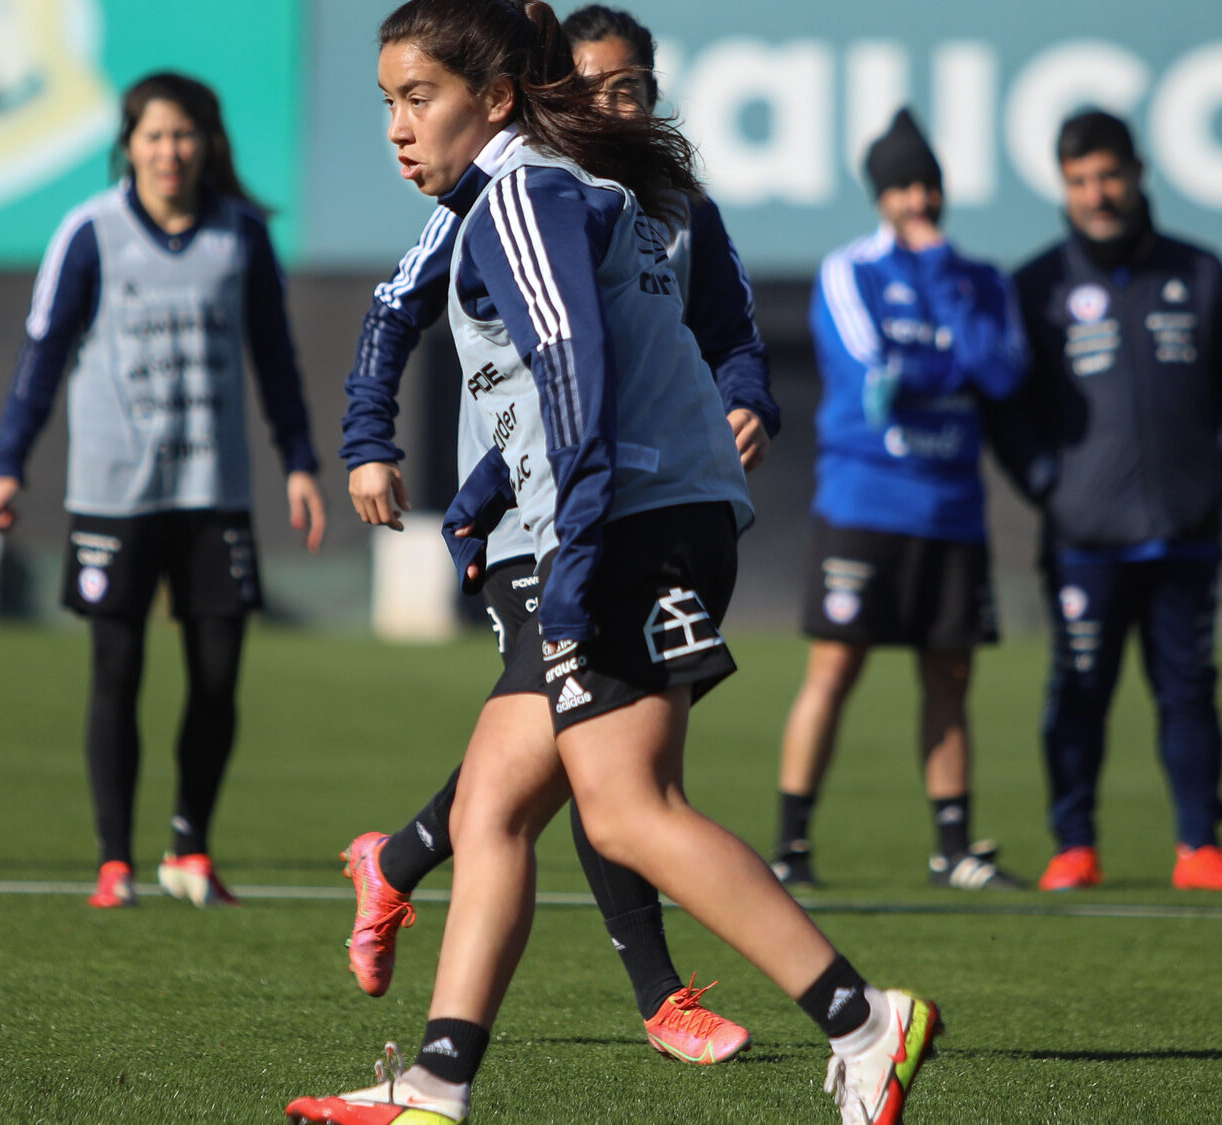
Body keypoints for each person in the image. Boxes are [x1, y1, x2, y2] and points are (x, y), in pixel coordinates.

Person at [286, 5, 940, 1123]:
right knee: (488, 813)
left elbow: (573, 380)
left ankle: (863, 1021)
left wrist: (578, 555)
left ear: (492, 99)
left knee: (628, 809)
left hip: (621, 526)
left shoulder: (524, 194)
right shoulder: (561, 188)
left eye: (418, 98)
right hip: (625, 515)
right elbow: (565, 385)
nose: (397, 128)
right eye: (387, 103)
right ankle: (435, 1087)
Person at [335, 2, 772, 1065]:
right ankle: (671, 1000)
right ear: (546, 90)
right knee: (593, 762)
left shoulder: (663, 198)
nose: (612, 100)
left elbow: (718, 330)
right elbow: (407, 312)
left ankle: (397, 880)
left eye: (631, 86)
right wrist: (370, 440)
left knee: (552, 761)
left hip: (616, 503)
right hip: (545, 515)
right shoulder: (505, 187)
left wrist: (745, 391)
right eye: (593, 82)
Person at [0, 72, 326, 910]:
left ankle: (190, 848)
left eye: (185, 135)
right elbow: (43, 357)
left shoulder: (241, 235)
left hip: (215, 487)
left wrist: (301, 459)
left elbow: (275, 360)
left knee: (217, 677)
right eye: (154, 135)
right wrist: (8, 462)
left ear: (207, 144)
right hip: (112, 494)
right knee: (118, 670)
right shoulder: (89, 234)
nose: (170, 151)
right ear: (128, 145)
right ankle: (113, 859)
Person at [989, 110, 1222, 894]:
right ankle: (1075, 846)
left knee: (1189, 689)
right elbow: (1005, 405)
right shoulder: (1039, 285)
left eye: (1109, 175)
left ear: (1139, 172)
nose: (1097, 194)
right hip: (1085, 536)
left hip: (1184, 529)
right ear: (1064, 186)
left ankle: (1201, 848)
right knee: (1078, 693)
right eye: (1080, 181)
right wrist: (1049, 482)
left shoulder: (1199, 270)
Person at [767, 107, 1028, 893]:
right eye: (903, 186)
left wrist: (944, 285)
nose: (919, 199)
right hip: (867, 503)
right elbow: (877, 384)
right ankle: (792, 847)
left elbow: (1007, 374)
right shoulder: (851, 272)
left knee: (950, 674)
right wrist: (955, 371)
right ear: (880, 195)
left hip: (953, 508)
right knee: (836, 666)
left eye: (929, 184)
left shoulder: (978, 278)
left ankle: (954, 849)